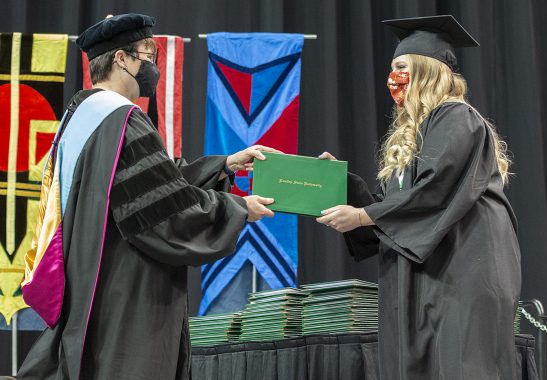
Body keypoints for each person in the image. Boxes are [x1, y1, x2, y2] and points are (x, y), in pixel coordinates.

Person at [18, 13, 277, 380]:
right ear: (121, 58)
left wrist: (225, 166)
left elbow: (148, 183)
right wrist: (236, 208)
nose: (152, 65)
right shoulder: (122, 118)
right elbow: (163, 211)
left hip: (91, 284)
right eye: (147, 54)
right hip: (128, 289)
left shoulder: (79, 116)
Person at [317, 15, 521, 380]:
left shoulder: (457, 117)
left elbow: (436, 189)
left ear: (426, 71)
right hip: (428, 272)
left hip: (462, 270)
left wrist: (364, 216)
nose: (392, 78)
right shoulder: (417, 134)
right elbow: (393, 206)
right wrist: (339, 183)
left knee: (460, 366)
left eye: (400, 67)